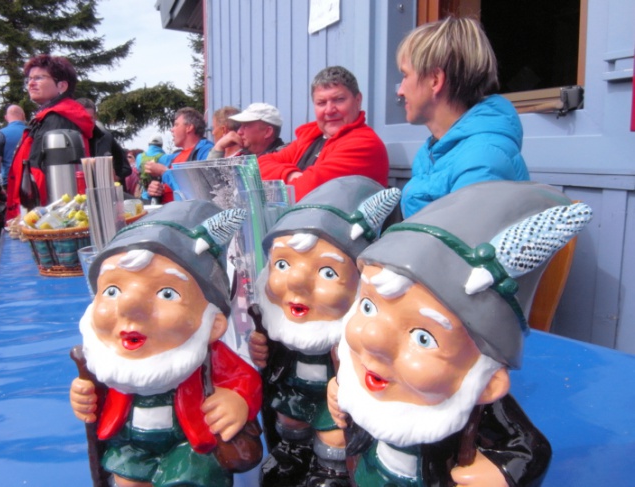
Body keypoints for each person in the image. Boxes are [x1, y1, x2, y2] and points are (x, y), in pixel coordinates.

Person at [328, 181, 593, 486]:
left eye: (423, 337)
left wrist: (503, 472)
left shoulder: (473, 402)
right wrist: (343, 394)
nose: (373, 338)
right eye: (368, 307)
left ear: (488, 384)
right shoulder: (366, 379)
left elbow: (530, 450)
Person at [69, 200, 263, 487]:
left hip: (189, 443)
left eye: (167, 293)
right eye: (112, 290)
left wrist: (238, 401)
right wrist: (85, 396)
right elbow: (99, 390)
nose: (129, 306)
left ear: (213, 324)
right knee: (127, 478)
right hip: (130, 443)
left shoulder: (208, 357)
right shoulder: (106, 360)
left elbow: (244, 379)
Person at [248, 176, 401, 486]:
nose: (296, 282)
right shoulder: (279, 324)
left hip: (333, 403)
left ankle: (330, 469)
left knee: (334, 436)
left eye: (327, 272)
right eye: (283, 265)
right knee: (289, 422)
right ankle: (292, 453)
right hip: (292, 392)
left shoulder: (364, 338)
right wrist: (263, 348)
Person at [397, 17, 530, 218]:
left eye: (405, 75)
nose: (400, 91)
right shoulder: (435, 150)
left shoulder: (483, 161)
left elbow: (460, 237)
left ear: (435, 80)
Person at [257, 66, 389, 201]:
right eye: (321, 103)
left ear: (358, 100)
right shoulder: (310, 137)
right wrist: (290, 175)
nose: (329, 110)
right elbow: (259, 166)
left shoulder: (364, 144)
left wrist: (269, 187)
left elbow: (304, 194)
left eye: (339, 99)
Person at [5, 55, 95, 220]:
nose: (31, 83)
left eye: (39, 78)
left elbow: (40, 174)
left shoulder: (57, 119)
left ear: (62, 86)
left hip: (50, 218)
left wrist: (33, 219)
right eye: (29, 79)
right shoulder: (50, 117)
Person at [144, 107, 214, 203]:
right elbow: (151, 192)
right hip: (167, 209)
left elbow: (200, 191)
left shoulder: (206, 152)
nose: (172, 129)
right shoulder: (172, 157)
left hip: (189, 211)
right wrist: (152, 191)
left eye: (176, 125)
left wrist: (164, 172)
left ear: (189, 127)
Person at [76, 98, 132, 190]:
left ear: (95, 117)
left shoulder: (105, 137)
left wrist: (115, 177)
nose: (87, 122)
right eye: (83, 118)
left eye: (90, 118)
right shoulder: (69, 139)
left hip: (104, 192)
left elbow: (125, 167)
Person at [208, 103, 285, 160]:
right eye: (241, 126)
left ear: (268, 132)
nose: (239, 131)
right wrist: (219, 147)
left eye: (246, 126)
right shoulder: (242, 156)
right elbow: (210, 176)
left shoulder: (282, 158)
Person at [0, 104, 27, 188]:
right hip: (32, 183)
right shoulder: (33, 132)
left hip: (11, 184)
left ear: (6, 117)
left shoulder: (1, 134)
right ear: (23, 116)